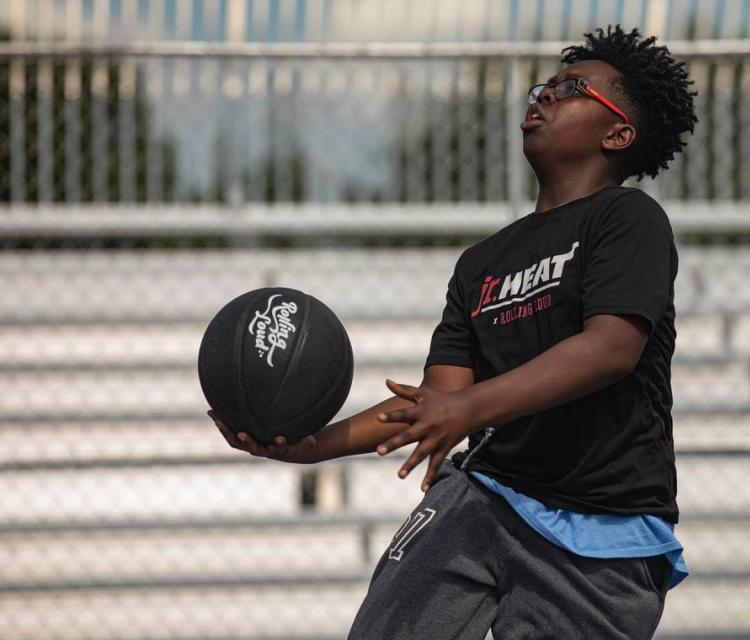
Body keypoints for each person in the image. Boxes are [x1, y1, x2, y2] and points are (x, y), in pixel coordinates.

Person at [210, 25, 697, 639]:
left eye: (571, 89)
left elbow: (610, 348)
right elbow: (434, 403)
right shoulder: (481, 263)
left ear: (617, 133)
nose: (543, 95)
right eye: (543, 85)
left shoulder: (629, 220)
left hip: (602, 527)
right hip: (485, 495)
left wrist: (467, 407)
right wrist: (309, 447)